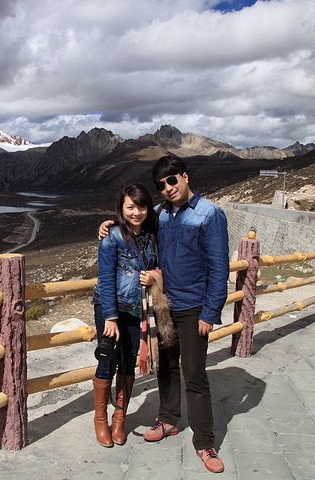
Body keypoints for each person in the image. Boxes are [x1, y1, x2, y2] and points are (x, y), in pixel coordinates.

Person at [98, 155, 229, 473]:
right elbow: (135, 226)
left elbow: (219, 265)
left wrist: (211, 311)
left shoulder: (210, 214)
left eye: (172, 180)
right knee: (167, 368)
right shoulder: (160, 214)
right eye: (161, 185)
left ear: (184, 177)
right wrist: (110, 225)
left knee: (195, 375)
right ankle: (168, 420)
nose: (167, 188)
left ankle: (205, 443)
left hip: (194, 307)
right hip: (162, 305)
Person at [92, 183, 161, 448]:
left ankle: (119, 419)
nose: (136, 212)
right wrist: (110, 317)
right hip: (111, 308)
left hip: (137, 307)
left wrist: (155, 275)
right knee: (107, 360)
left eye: (141, 206)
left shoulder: (152, 233)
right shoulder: (113, 237)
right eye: (130, 207)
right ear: (121, 208)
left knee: (129, 362)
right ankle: (101, 420)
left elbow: (160, 265)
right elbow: (106, 279)